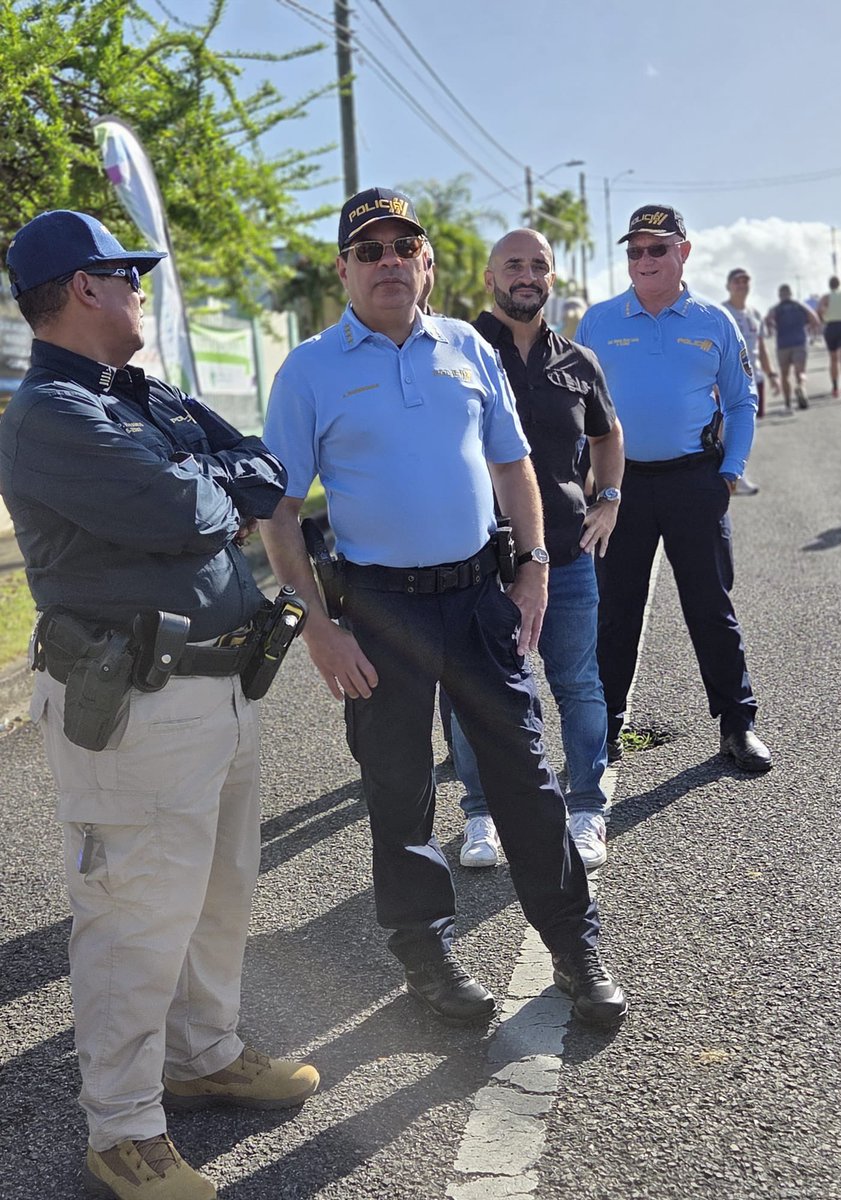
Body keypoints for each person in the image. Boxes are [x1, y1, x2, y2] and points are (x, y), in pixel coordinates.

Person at [0, 210, 319, 1200]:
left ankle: (202, 1052)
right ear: (85, 287)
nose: (142, 286)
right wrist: (214, 482)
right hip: (134, 705)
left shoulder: (141, 397)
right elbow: (185, 511)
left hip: (219, 688)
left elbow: (265, 469)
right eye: (127, 272)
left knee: (218, 896)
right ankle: (125, 1128)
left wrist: (210, 476)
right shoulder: (50, 414)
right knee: (131, 918)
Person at [260, 187, 628, 1031]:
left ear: (426, 265)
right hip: (379, 608)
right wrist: (316, 625)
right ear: (344, 270)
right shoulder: (310, 369)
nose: (390, 263)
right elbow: (276, 511)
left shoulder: (465, 345)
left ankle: (573, 945)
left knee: (527, 780)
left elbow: (513, 466)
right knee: (399, 792)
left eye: (404, 249)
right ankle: (425, 955)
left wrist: (533, 566)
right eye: (371, 251)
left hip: (476, 597)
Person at [575, 204, 772, 774]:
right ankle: (604, 729)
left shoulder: (714, 321)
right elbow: (579, 407)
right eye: (634, 250)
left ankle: (738, 725)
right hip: (621, 487)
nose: (643, 260)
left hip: (694, 480)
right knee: (613, 611)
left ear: (683, 252)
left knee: (711, 607)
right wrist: (587, 480)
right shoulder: (599, 321)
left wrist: (729, 473)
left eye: (657, 248)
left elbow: (740, 401)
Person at [450, 228, 624, 873]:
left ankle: (586, 808)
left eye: (538, 266)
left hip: (568, 555)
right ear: (490, 277)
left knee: (578, 683)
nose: (526, 275)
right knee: (476, 691)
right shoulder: (456, 351)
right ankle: (480, 813)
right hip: (475, 558)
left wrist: (607, 499)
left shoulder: (579, 362)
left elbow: (609, 435)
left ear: (552, 278)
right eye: (513, 265)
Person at [721, 267, 779, 495]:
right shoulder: (721, 312)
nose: (742, 285)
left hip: (754, 380)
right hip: (729, 383)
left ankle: (735, 475)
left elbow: (761, 348)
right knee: (725, 431)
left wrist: (772, 373)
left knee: (749, 430)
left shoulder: (755, 314)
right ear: (728, 286)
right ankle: (729, 477)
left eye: (745, 281)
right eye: (737, 281)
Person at [765, 284, 820, 410]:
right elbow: (815, 319)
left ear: (780, 295)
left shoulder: (776, 308)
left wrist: (772, 329)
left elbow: (768, 320)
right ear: (791, 293)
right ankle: (800, 387)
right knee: (800, 372)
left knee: (784, 375)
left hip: (783, 344)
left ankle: (788, 403)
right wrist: (808, 327)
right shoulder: (800, 306)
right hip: (799, 342)